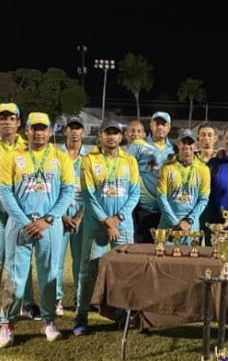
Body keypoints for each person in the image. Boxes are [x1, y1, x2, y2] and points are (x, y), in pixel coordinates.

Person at [0, 112, 74, 348]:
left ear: (50, 132)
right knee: (15, 276)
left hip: (49, 226)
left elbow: (68, 191)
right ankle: (7, 323)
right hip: (20, 225)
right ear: (26, 131)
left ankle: (48, 321)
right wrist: (24, 220)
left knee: (49, 274)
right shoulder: (12, 157)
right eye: (34, 128)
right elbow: (5, 192)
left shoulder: (61, 158)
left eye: (43, 128)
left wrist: (48, 219)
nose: (39, 133)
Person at [0, 103, 41, 328]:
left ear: (19, 122)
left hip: (23, 214)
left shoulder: (28, 146)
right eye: (2, 118)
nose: (6, 122)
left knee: (24, 257)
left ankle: (28, 303)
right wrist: (6, 204)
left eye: (11, 118)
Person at [74, 119, 140, 335]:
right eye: (107, 133)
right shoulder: (89, 161)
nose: (111, 137)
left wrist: (118, 218)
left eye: (115, 133)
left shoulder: (129, 161)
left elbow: (134, 194)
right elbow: (89, 196)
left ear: (121, 137)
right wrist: (106, 221)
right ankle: (81, 316)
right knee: (88, 271)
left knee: (124, 271)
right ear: (100, 136)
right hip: (96, 226)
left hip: (123, 225)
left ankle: (122, 314)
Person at [56, 116, 89, 316]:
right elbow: (50, 188)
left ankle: (80, 298)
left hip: (81, 214)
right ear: (65, 131)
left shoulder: (89, 158)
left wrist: (78, 217)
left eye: (78, 128)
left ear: (83, 132)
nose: (75, 132)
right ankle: (56, 299)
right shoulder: (54, 155)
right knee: (56, 261)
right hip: (59, 212)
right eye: (71, 128)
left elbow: (92, 191)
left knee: (80, 261)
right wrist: (61, 215)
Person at [126, 111, 177, 243]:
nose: (160, 127)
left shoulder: (175, 149)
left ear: (169, 127)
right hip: (144, 209)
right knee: (142, 253)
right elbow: (126, 171)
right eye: (157, 123)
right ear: (151, 125)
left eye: (164, 124)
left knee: (166, 254)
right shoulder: (138, 145)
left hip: (167, 210)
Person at [157, 129, 211, 233]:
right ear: (178, 145)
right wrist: (174, 222)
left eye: (190, 143)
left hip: (190, 225)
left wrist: (189, 220)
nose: (187, 146)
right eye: (183, 143)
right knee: (162, 250)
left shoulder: (203, 169)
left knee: (191, 250)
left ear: (195, 146)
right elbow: (161, 197)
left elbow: (203, 199)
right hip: (168, 224)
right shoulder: (167, 168)